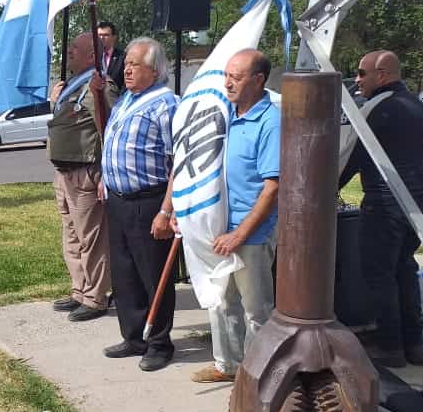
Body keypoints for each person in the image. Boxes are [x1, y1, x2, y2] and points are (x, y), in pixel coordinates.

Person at [189, 49, 281, 383]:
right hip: (217, 227)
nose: (227, 83)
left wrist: (240, 234)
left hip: (250, 235)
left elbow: (273, 187)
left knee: (256, 309)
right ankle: (227, 365)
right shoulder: (222, 114)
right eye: (226, 75)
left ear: (258, 80)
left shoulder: (270, 122)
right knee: (221, 301)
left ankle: (255, 376)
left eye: (236, 77)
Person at [339, 50, 423, 367]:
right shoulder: (415, 105)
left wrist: (327, 188)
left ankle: (391, 346)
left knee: (380, 275)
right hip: (419, 200)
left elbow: (351, 157)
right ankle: (415, 344)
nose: (357, 80)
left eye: (361, 73)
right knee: (405, 267)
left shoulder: (376, 107)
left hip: (384, 202)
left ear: (382, 75)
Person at [97, 37, 179, 372]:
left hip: (149, 201)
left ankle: (159, 343)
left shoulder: (166, 104)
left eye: (134, 64)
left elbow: (178, 162)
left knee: (153, 273)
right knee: (125, 272)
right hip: (118, 200)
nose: (127, 70)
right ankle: (134, 336)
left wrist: (166, 210)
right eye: (126, 63)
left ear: (154, 70)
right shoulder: (126, 100)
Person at [48, 32, 117, 322]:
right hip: (64, 172)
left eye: (74, 48)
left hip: (85, 172)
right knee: (72, 235)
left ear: (91, 55)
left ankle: (96, 297)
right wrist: (55, 100)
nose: (69, 52)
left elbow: (110, 128)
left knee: (92, 239)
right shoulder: (71, 85)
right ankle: (80, 289)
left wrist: (105, 173)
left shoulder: (99, 86)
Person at [97, 21, 125, 89]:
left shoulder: (122, 57)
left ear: (114, 37)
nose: (102, 38)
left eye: (106, 35)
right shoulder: (91, 58)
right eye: (99, 35)